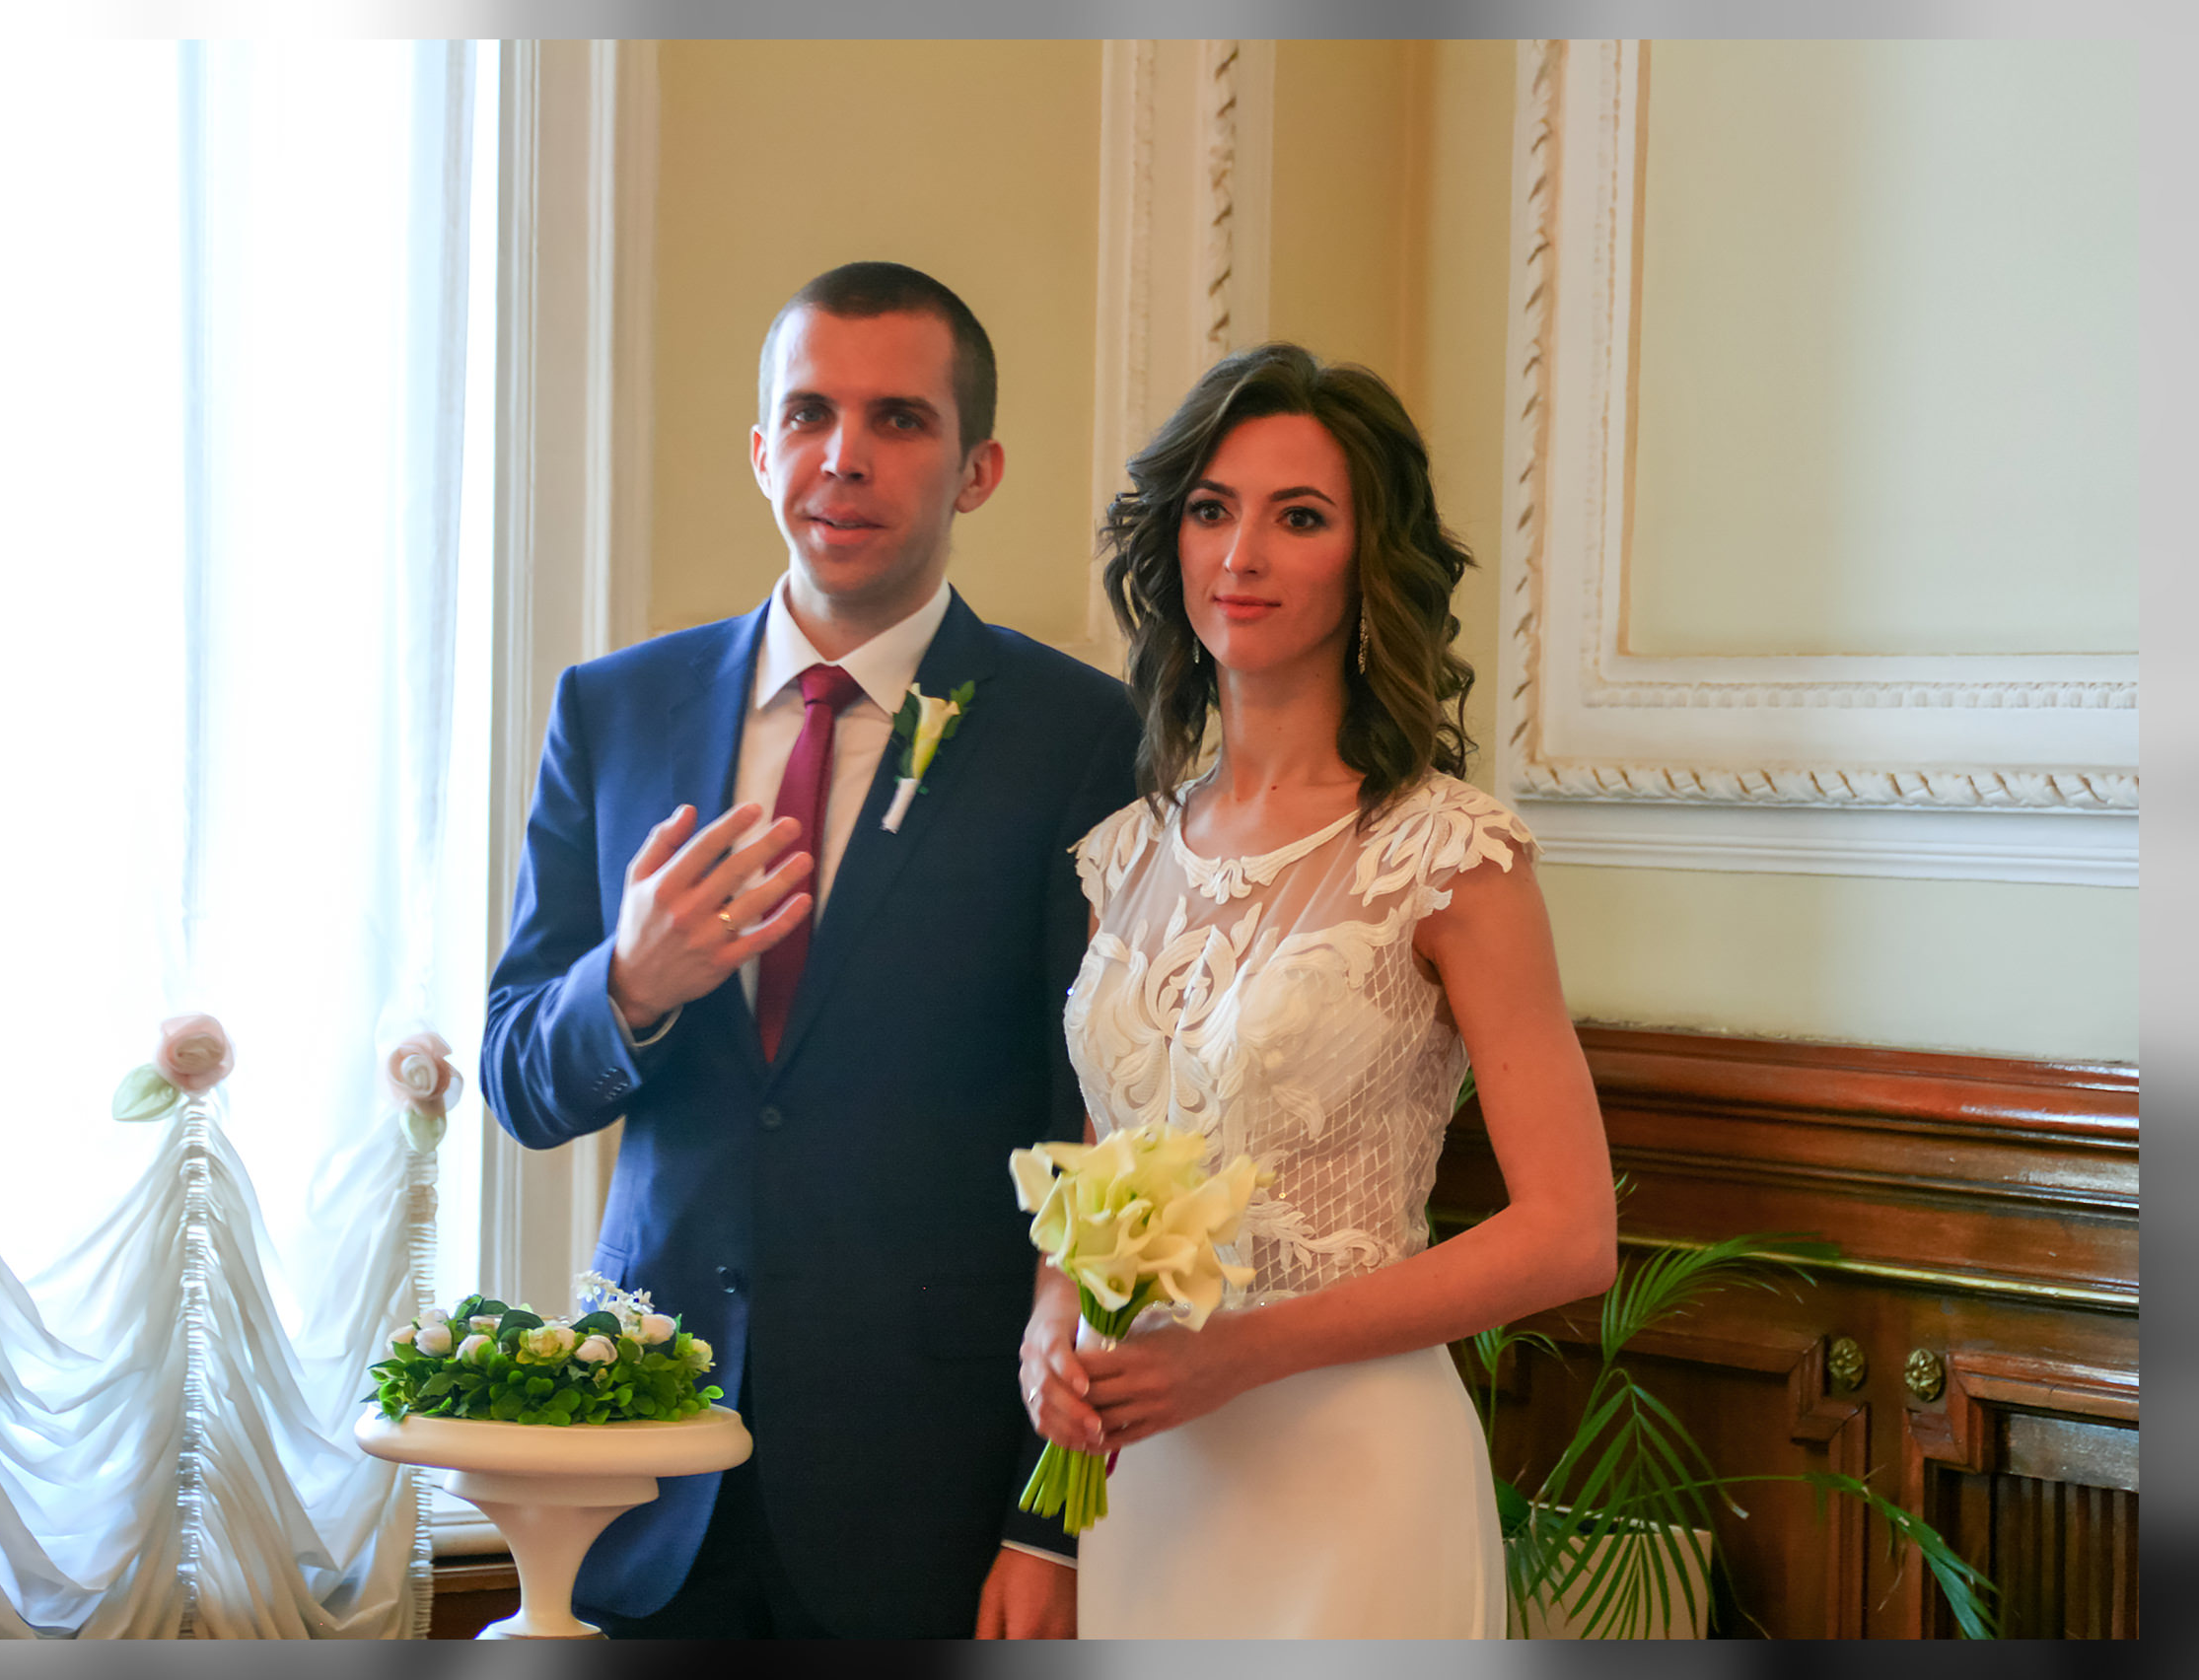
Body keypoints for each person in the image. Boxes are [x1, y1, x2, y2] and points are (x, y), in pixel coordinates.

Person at [478, 261, 1138, 1639]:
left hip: (933, 1481)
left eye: (899, 419)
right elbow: (519, 1083)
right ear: (760, 448)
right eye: (809, 413)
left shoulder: (1078, 737)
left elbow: (1097, 1122)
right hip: (647, 1459)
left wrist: (1049, 1522)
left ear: (977, 469)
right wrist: (629, 985)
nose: (844, 455)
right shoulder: (614, 709)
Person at [1021, 343, 1620, 1638]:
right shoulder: (1123, 857)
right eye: (1210, 510)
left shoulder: (1449, 857)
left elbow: (1570, 1232)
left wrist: (1244, 1350)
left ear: (1370, 563)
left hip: (1355, 1476)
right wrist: (1052, 1320)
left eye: (1298, 518)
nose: (1240, 555)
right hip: (1152, 1483)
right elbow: (1105, 1167)